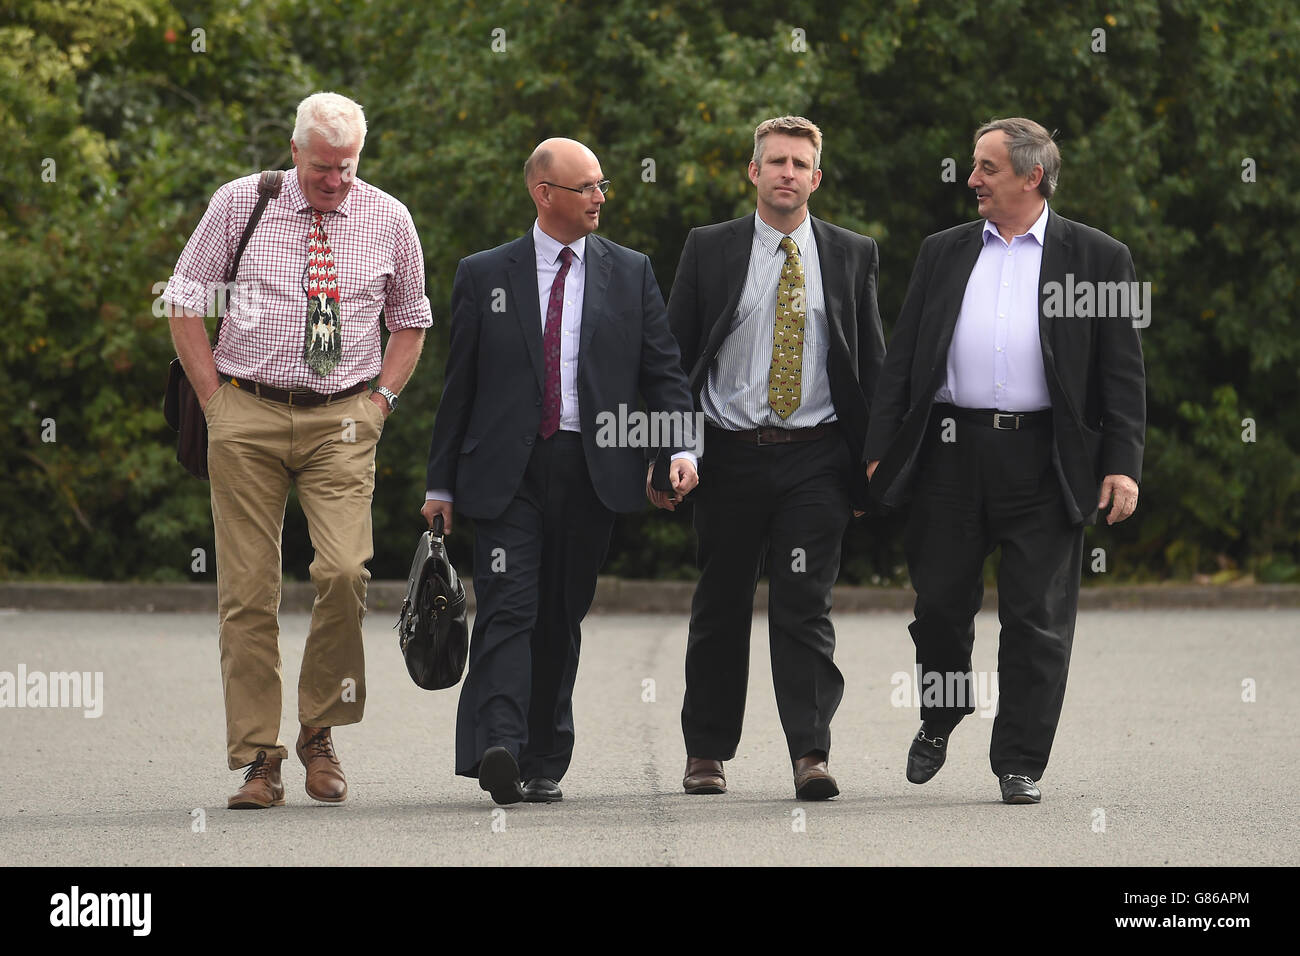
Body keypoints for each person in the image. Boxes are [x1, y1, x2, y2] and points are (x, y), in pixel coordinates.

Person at [865, 117, 1146, 804]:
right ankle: (944, 709)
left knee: (1037, 621)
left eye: (986, 168)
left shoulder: (1100, 258)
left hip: (1047, 458)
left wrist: (1123, 462)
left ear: (1032, 176)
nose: (971, 180)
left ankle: (1018, 760)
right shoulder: (943, 251)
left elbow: (1123, 372)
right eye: (973, 165)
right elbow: (904, 358)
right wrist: (878, 449)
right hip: (949, 454)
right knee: (937, 607)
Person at [163, 91, 432, 809]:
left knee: (344, 571)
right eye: (322, 167)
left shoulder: (390, 218)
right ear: (294, 153)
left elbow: (411, 320)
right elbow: (184, 301)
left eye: (346, 167)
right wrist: (215, 400)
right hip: (246, 410)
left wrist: (382, 402)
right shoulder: (238, 202)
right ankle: (259, 758)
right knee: (247, 592)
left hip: (344, 418)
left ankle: (320, 730)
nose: (335, 181)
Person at [423, 138, 698, 805]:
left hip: (592, 465)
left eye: (603, 186)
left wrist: (680, 448)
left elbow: (661, 370)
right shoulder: (485, 273)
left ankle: (544, 758)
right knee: (508, 606)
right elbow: (460, 385)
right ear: (544, 194)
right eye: (587, 188)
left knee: (559, 615)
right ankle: (500, 745)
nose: (601, 197)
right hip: (504, 470)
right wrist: (440, 482)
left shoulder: (629, 272)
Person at [650, 116, 885, 799]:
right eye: (775, 161)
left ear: (817, 177)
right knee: (720, 604)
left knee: (803, 605)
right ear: (753, 172)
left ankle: (811, 753)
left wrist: (875, 462)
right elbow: (674, 360)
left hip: (816, 458)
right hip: (728, 456)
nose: (787, 172)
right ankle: (706, 752)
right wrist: (675, 449)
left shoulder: (851, 254)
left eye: (799, 163)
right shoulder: (710, 249)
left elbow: (870, 363)